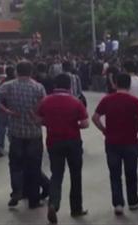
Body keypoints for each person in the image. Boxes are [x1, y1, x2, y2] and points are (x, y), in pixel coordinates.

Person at [0, 60, 46, 209]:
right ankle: (34, 200)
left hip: (16, 132)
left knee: (15, 165)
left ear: (16, 71)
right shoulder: (38, 87)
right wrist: (35, 113)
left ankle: (17, 191)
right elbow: (44, 106)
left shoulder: (9, 85)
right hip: (34, 132)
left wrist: (7, 110)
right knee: (34, 166)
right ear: (31, 72)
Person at [92, 73, 138, 215]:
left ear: (115, 84)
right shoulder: (134, 101)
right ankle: (133, 202)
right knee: (131, 173)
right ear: (129, 85)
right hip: (130, 142)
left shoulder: (107, 99)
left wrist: (104, 130)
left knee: (115, 174)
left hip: (112, 143)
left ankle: (118, 204)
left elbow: (95, 117)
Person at [38, 74, 89, 224]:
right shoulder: (76, 101)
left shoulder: (46, 100)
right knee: (76, 175)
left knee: (57, 175)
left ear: (55, 85)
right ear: (69, 86)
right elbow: (85, 123)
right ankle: (76, 208)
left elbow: (39, 119)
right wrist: (74, 125)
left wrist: (51, 124)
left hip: (54, 142)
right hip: (73, 141)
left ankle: (53, 203)